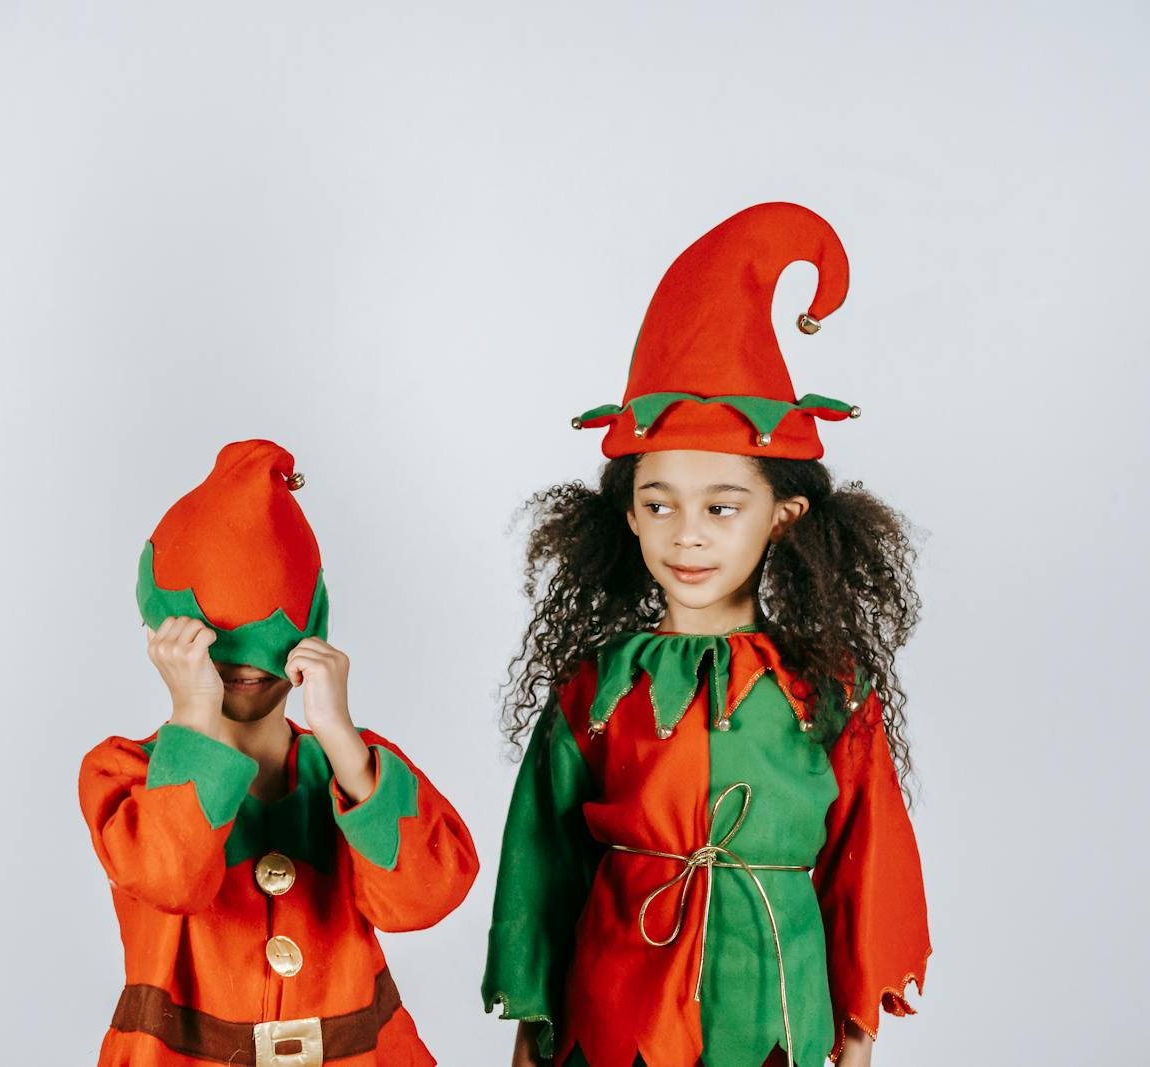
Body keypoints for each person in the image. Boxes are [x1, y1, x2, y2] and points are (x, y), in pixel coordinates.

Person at [481, 204, 931, 1067]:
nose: (688, 533)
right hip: (615, 1013)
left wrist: (860, 1037)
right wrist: (532, 1031)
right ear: (627, 514)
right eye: (660, 503)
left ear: (784, 517)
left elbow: (865, 867)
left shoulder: (828, 690)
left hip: (776, 1009)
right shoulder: (596, 684)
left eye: (722, 506)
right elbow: (540, 865)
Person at [81, 439, 478, 1066]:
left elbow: (424, 901)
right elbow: (170, 879)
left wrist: (340, 735)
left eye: (266, 638)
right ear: (164, 636)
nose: (243, 665)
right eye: (212, 640)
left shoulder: (355, 767)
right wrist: (192, 714)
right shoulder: (124, 772)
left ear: (313, 626)